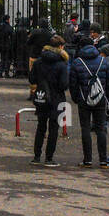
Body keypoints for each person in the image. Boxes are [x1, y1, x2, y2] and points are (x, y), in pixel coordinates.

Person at [69, 27, 109, 167]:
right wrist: (106, 97)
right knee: (101, 129)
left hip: (84, 98)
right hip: (100, 98)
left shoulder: (77, 62)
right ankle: (103, 159)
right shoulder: (103, 61)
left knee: (85, 128)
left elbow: (73, 84)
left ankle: (87, 159)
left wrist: (76, 98)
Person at [29, 35, 69, 166]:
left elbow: (32, 79)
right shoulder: (62, 64)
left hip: (42, 97)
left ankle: (36, 157)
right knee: (53, 129)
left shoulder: (39, 62)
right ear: (60, 47)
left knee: (40, 127)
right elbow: (64, 85)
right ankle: (49, 158)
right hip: (57, 99)